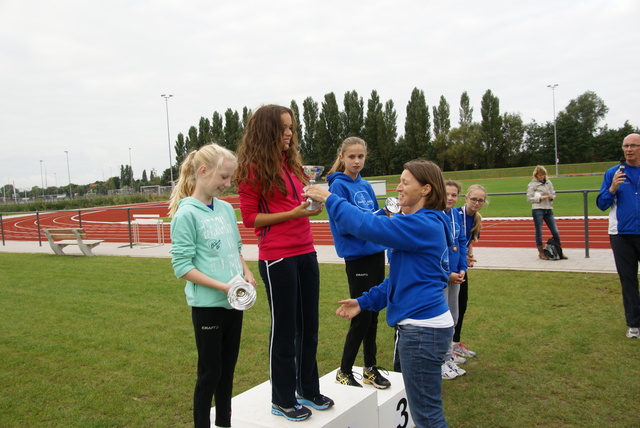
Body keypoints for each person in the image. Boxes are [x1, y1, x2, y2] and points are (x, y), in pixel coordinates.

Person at [305, 159, 454, 428]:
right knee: (425, 412)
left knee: (427, 416)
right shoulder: (423, 223)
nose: (398, 187)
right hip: (424, 329)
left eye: (405, 182)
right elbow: (399, 280)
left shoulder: (422, 225)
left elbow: (369, 227)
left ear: (426, 190)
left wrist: (330, 199)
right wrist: (365, 302)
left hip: (422, 331)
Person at [234, 104, 334, 422]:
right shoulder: (252, 168)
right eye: (283, 127)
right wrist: (293, 213)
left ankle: (307, 389)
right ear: (267, 131)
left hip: (306, 250)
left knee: (309, 327)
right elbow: (250, 219)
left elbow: (295, 204)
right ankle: (282, 399)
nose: (289, 133)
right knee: (285, 329)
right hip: (277, 257)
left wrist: (309, 206)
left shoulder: (291, 165)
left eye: (291, 127)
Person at [168, 143, 257, 428]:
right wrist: (223, 287)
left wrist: (246, 272)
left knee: (227, 370)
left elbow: (236, 247)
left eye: (230, 178)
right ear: (203, 172)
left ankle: (224, 423)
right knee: (210, 373)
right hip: (208, 306)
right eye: (223, 177)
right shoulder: (186, 214)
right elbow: (182, 267)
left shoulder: (226, 209)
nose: (228, 184)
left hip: (234, 302)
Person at [326, 137, 391, 389]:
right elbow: (346, 226)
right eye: (351, 156)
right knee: (361, 314)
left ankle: (370, 368)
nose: (356, 161)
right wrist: (375, 217)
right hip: (357, 257)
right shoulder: (338, 187)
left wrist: (381, 218)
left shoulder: (365, 185)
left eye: (361, 156)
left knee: (373, 311)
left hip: (376, 252)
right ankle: (344, 370)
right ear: (342, 157)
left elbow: (376, 220)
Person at [596, 133, 640, 339]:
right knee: (628, 280)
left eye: (633, 145)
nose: (629, 149)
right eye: (626, 146)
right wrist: (612, 188)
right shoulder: (613, 173)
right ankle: (634, 324)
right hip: (621, 235)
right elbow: (602, 204)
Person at [452, 184, 487, 359]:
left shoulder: (476, 219)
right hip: (451, 267)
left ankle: (455, 343)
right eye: (474, 199)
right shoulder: (455, 215)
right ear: (466, 198)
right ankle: (447, 348)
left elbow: (468, 241)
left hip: (461, 267)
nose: (476, 203)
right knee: (450, 307)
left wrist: (469, 254)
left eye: (480, 200)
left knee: (461, 305)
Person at [441, 180, 468, 380]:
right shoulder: (435, 215)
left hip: (456, 275)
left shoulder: (456, 216)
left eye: (454, 195)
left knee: (453, 315)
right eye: (447, 194)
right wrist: (447, 272)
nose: (450, 198)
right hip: (441, 275)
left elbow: (461, 242)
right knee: (441, 318)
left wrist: (462, 268)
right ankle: (440, 361)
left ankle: (448, 354)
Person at [526, 165, 567, 260]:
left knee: (555, 231)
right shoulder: (532, 184)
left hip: (548, 209)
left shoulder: (548, 183)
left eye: (543, 175)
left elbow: (554, 194)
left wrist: (551, 197)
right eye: (540, 175)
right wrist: (540, 198)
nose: (541, 177)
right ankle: (541, 253)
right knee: (539, 231)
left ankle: (559, 251)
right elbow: (529, 198)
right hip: (538, 209)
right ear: (536, 175)